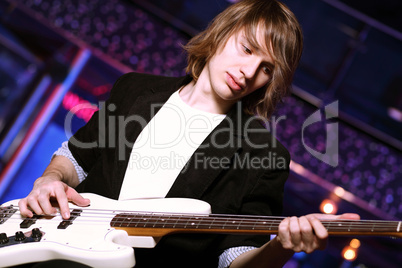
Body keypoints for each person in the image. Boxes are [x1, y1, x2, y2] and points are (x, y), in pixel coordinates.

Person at [18, 0, 359, 267]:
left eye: (266, 69)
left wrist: (282, 247)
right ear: (222, 32)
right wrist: (48, 179)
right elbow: (76, 157)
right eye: (248, 49)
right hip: (58, 258)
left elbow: (235, 259)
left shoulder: (262, 156)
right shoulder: (133, 88)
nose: (250, 71)